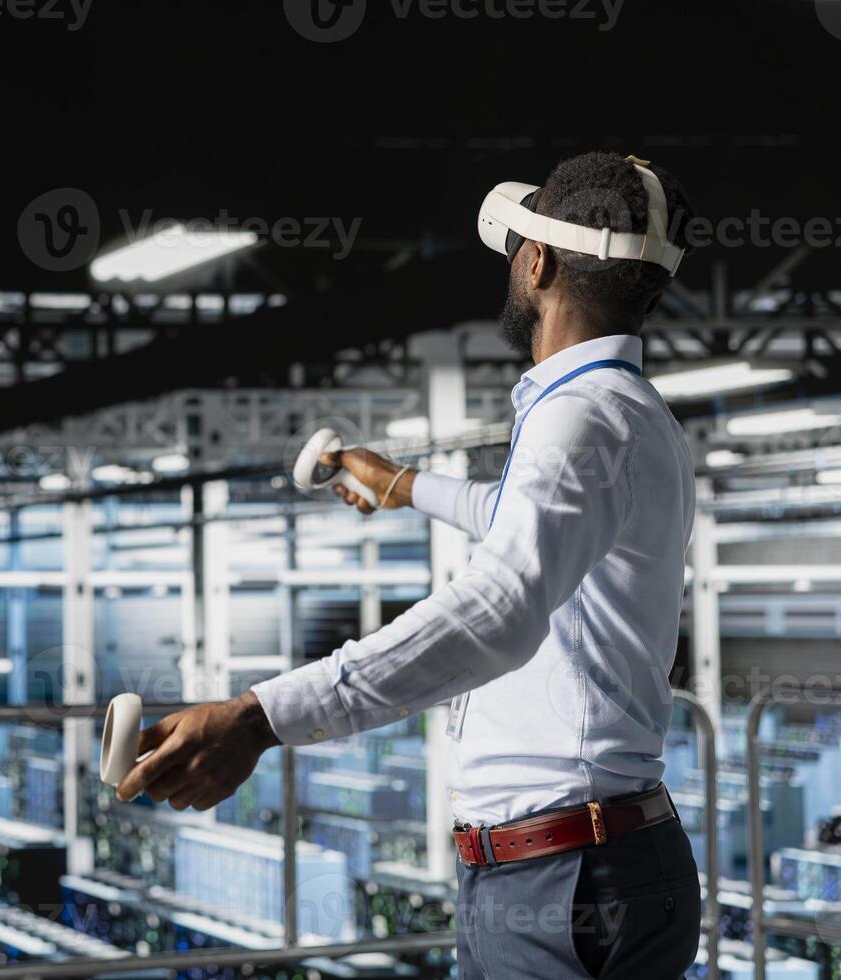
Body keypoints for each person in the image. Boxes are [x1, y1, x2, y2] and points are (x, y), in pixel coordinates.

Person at [114, 151, 702, 978]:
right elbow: (524, 530)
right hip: (592, 867)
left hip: (564, 879)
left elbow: (500, 606)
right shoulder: (633, 415)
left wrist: (259, 715)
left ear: (537, 264)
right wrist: (402, 485)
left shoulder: (579, 419)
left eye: (514, 257)